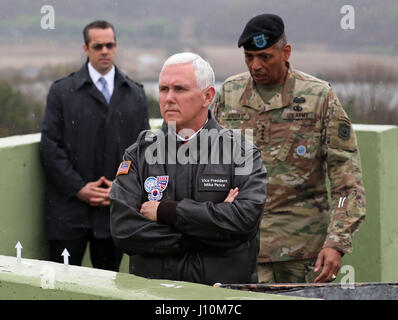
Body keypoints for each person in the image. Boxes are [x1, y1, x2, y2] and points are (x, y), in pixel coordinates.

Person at [213, 14, 366, 283]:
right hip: (242, 247)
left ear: (286, 52)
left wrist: (337, 242)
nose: (255, 65)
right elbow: (209, 166)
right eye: (249, 57)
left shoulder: (319, 97)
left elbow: (347, 182)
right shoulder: (229, 94)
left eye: (264, 57)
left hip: (303, 254)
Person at [109, 52, 267, 285]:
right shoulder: (139, 154)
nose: (169, 98)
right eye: (164, 89)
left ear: (207, 96)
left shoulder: (240, 153)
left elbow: (245, 221)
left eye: (180, 89)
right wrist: (207, 234)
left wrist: (167, 212)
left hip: (221, 297)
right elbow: (124, 231)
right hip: (156, 294)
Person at [39, 20, 150, 271]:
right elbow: (50, 146)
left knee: (107, 288)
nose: (104, 51)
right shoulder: (62, 92)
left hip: (114, 213)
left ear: (116, 46)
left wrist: (120, 187)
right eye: (97, 46)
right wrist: (78, 188)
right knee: (61, 285)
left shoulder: (135, 94)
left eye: (109, 45)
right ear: (86, 48)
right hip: (67, 213)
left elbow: (143, 150)